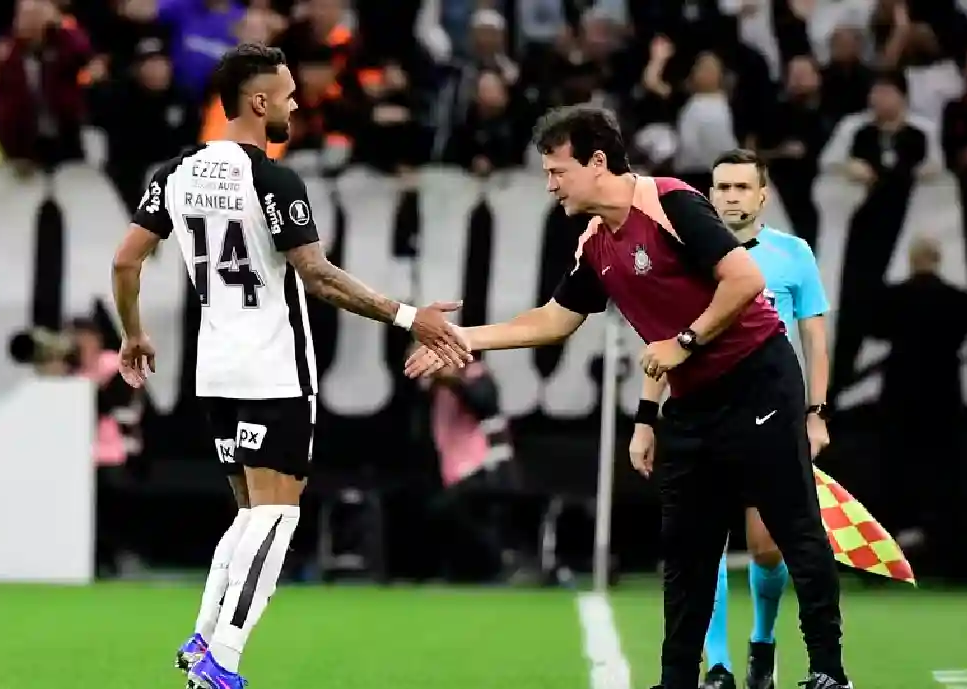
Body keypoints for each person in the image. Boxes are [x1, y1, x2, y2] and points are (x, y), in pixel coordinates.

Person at [405, 105, 850, 689]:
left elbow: (745, 280)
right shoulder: (595, 241)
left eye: (557, 171)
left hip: (758, 380)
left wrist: (683, 341)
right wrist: (463, 338)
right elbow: (555, 320)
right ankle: (677, 681)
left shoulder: (672, 203)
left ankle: (828, 673)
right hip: (692, 402)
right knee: (686, 552)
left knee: (794, 530)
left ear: (596, 162)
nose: (549, 185)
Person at [110, 43, 470, 689]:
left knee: (250, 515)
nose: (296, 103)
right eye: (287, 92)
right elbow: (319, 277)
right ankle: (224, 658)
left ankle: (202, 636)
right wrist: (409, 316)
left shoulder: (175, 172)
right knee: (278, 517)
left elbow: (125, 261)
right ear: (258, 102)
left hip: (215, 368)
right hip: (273, 366)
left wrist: (133, 335)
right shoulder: (271, 179)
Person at [632, 149, 833, 689]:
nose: (731, 196)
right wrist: (646, 417)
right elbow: (664, 340)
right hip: (701, 413)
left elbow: (813, 337)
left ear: (762, 195)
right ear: (709, 193)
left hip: (767, 411)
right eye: (722, 187)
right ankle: (716, 666)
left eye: (743, 187)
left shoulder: (792, 255)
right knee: (703, 543)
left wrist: (815, 412)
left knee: (770, 543)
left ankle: (762, 645)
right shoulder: (687, 251)